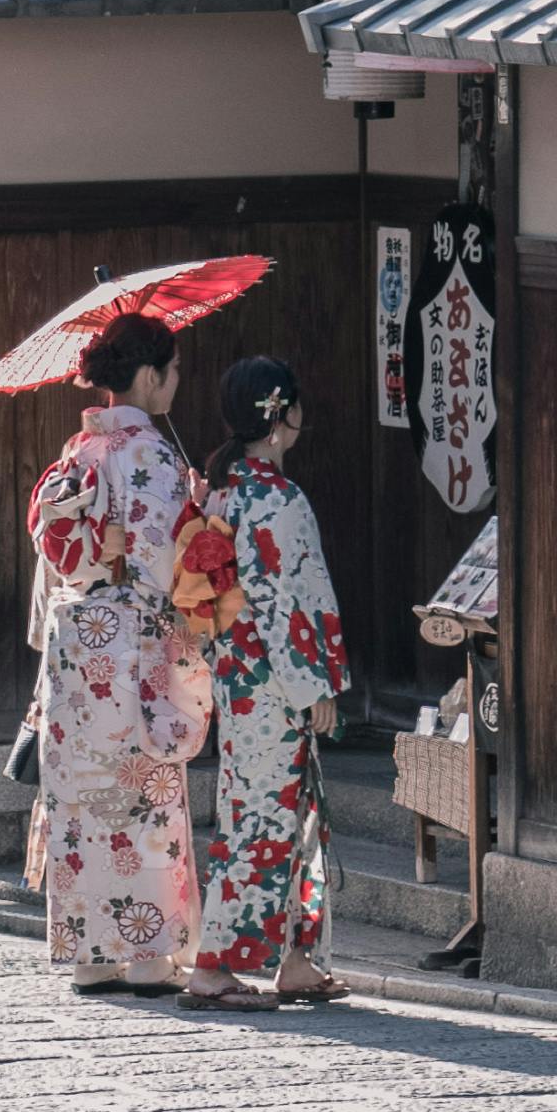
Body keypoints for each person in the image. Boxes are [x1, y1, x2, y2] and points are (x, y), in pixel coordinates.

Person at [24, 314, 212, 995]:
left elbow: (56, 548)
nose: (176, 380)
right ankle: (150, 952)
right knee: (143, 795)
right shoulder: (152, 455)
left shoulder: (79, 450)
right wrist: (199, 511)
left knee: (80, 797)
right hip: (132, 642)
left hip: (77, 643)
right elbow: (166, 561)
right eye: (173, 368)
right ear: (148, 375)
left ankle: (89, 951)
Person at [174, 355, 352, 1008]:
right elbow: (291, 601)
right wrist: (318, 685)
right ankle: (214, 965)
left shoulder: (219, 493)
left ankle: (296, 956)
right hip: (273, 680)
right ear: (280, 414)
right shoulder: (277, 499)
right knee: (259, 818)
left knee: (286, 809)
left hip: (237, 674)